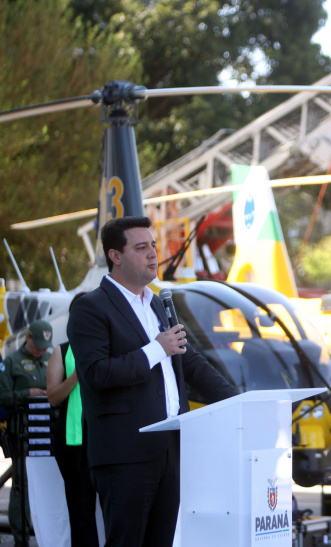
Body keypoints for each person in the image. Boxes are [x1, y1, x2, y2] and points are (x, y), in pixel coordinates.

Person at [67, 215, 238, 547]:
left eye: (154, 246)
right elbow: (96, 374)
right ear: (115, 256)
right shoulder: (91, 308)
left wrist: (236, 400)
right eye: (141, 247)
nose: (152, 254)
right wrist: (155, 349)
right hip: (125, 452)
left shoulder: (158, 304)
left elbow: (188, 360)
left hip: (170, 449)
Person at [47, 292, 100, 547]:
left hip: (107, 440)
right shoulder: (62, 350)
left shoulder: (108, 346)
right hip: (74, 443)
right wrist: (78, 375)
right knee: (81, 512)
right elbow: (53, 397)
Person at [0, 319, 53, 547]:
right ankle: (21, 539)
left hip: (49, 433)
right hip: (23, 433)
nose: (40, 350)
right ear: (28, 337)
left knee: (46, 484)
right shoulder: (12, 362)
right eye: (37, 344)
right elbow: (2, 397)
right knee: (21, 485)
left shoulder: (50, 361)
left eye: (44, 346)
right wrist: (27, 393)